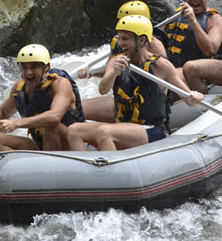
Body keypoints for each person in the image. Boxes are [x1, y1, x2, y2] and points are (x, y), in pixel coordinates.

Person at [67, 15, 203, 151]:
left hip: (150, 130)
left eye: (125, 39)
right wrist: (113, 72)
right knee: (74, 130)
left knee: (104, 132)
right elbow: (103, 89)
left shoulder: (161, 65)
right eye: (119, 38)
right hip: (122, 126)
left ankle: (113, 170)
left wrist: (196, 96)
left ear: (142, 40)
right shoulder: (116, 62)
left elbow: (189, 99)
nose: (120, 43)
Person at [0, 44, 84, 152]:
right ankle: (23, 169)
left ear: (46, 67)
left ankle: (51, 168)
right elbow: (3, 113)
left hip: (70, 144)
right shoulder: (19, 87)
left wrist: (17, 123)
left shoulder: (60, 84)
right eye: (24, 67)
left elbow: (54, 116)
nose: (28, 72)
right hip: (41, 145)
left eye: (34, 67)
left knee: (49, 126)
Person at [79, 0, 167, 123]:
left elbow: (164, 81)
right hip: (123, 100)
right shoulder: (117, 41)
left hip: (146, 105)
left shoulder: (155, 46)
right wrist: (91, 73)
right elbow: (109, 71)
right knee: (76, 108)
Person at [165, 0, 222, 80]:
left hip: (202, 71)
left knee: (173, 76)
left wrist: (193, 21)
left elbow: (210, 50)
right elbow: (156, 39)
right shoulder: (173, 16)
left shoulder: (216, 20)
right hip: (173, 66)